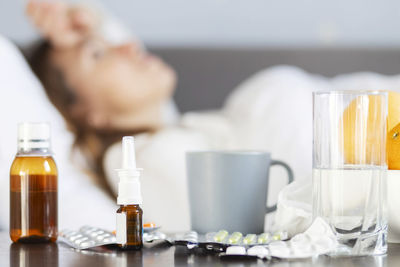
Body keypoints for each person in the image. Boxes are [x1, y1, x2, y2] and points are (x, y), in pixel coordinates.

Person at [25, 1, 317, 231]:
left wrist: (91, 18)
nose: (128, 46)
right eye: (97, 54)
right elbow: (223, 236)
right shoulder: (143, 158)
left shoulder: (182, 133)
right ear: (86, 114)